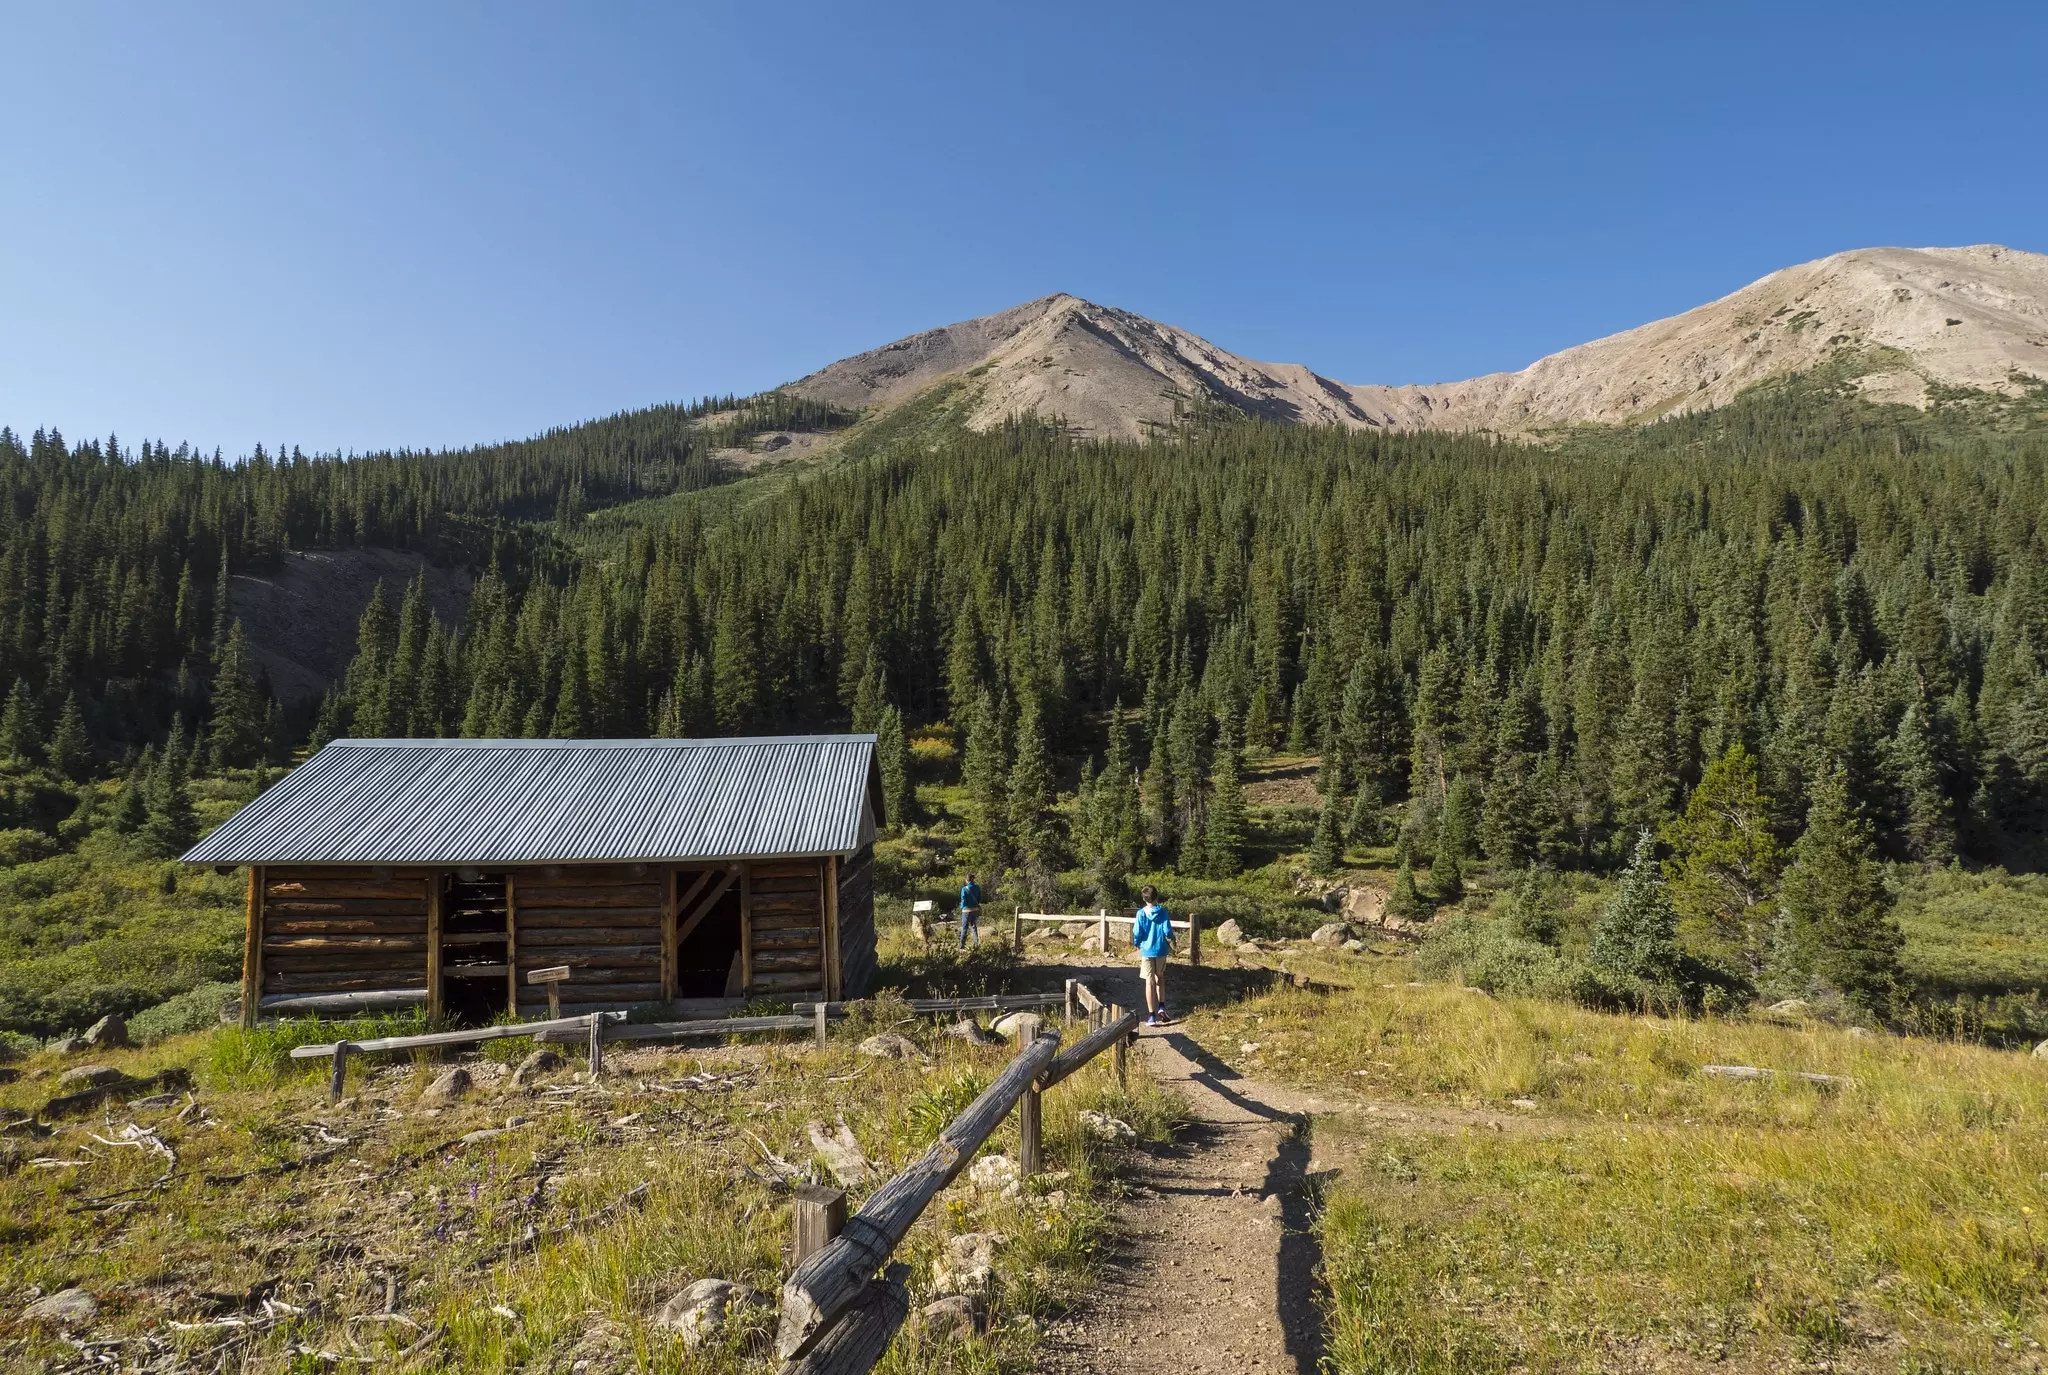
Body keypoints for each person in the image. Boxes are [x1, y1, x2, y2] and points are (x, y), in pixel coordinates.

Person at [1131, 884, 1175, 1025]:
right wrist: (1172, 938)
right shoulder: (1163, 912)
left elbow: (1137, 932)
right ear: (1156, 896)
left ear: (1144, 899)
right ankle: (1162, 1006)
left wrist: (1137, 943)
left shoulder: (1141, 913)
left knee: (1149, 981)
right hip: (1161, 949)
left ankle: (1151, 1015)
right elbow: (1167, 931)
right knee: (1160, 977)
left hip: (1146, 950)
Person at [957, 872, 984, 949]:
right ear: (973, 879)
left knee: (964, 928)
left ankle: (962, 945)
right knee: (974, 926)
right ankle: (976, 944)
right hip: (975, 910)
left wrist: (962, 907)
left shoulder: (964, 889)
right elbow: (979, 898)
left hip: (966, 911)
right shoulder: (977, 887)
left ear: (966, 880)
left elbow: (963, 900)